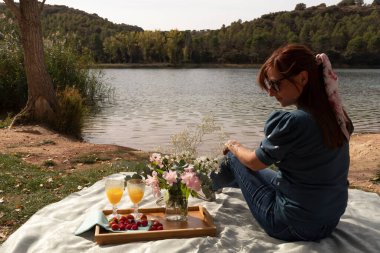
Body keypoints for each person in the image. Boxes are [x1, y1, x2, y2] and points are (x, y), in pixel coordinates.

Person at [211, 44, 354, 241]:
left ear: (303, 78)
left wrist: (233, 145)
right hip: (328, 222)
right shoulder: (337, 116)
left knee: (234, 161)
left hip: (290, 225)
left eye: (275, 84)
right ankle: (216, 186)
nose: (271, 93)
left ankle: (203, 188)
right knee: (255, 170)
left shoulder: (297, 122)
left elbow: (254, 162)